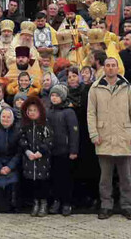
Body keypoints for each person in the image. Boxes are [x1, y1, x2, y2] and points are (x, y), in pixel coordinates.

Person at [87, 57, 131, 220]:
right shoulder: (95, 89)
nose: (111, 68)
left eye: (113, 66)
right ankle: (106, 205)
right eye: (108, 66)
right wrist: (94, 134)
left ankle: (126, 205)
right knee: (105, 178)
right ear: (103, 68)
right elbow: (91, 114)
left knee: (126, 177)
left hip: (124, 138)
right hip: (104, 138)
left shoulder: (127, 88)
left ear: (118, 68)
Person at [47, 84, 78, 216]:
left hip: (65, 151)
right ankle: (56, 201)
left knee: (66, 178)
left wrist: (73, 150)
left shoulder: (69, 112)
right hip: (51, 151)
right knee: (54, 178)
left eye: (57, 96)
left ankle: (66, 203)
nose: (54, 98)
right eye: (52, 95)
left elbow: (74, 132)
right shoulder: (49, 111)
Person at [19, 97, 53, 217]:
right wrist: (27, 151)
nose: (32, 112)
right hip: (29, 160)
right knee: (32, 183)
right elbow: (22, 140)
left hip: (42, 160)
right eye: (30, 110)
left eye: (35, 110)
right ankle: (35, 203)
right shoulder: (25, 125)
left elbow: (49, 140)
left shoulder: (45, 125)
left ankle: (43, 204)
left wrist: (41, 152)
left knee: (42, 183)